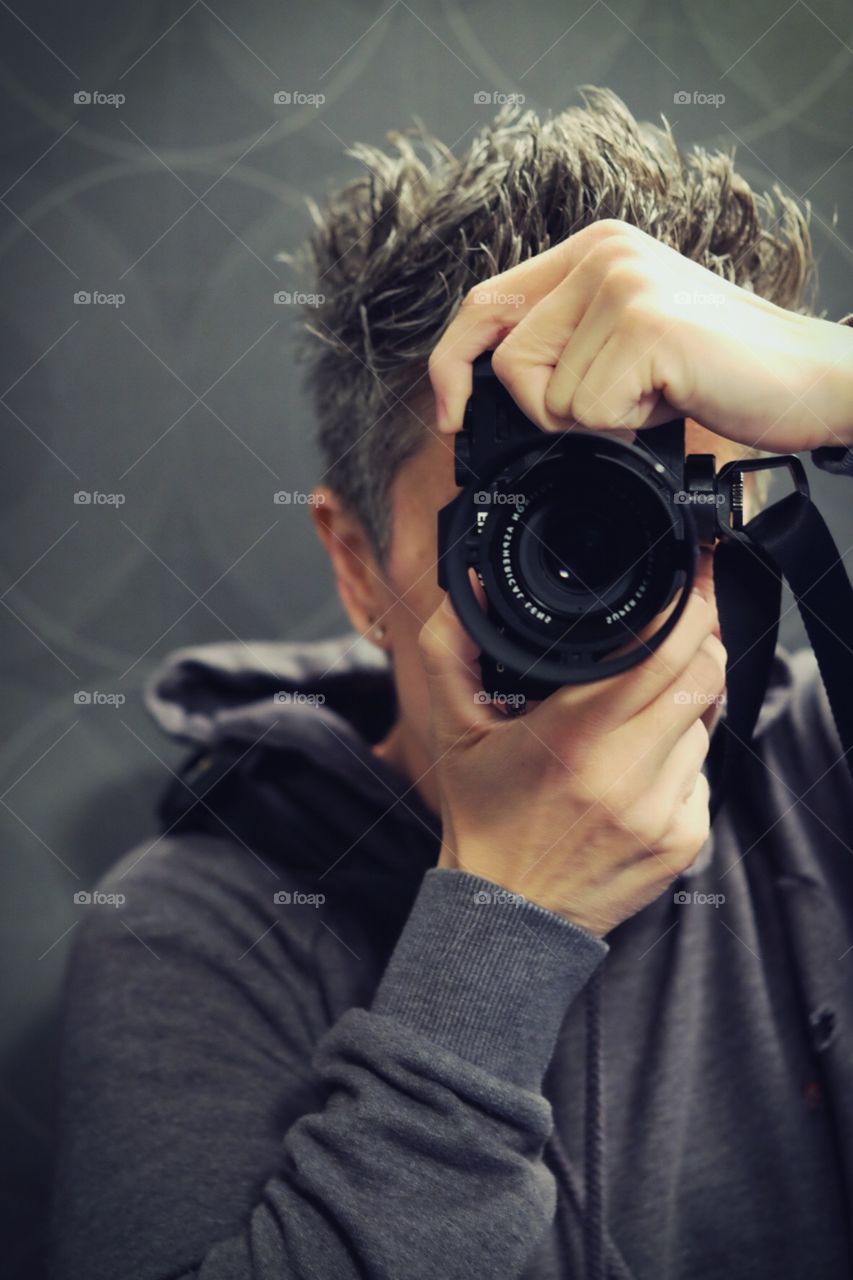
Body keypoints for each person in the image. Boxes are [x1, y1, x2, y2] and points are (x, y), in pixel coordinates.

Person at [49, 87, 853, 1280]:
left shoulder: (817, 786)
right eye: (545, 521)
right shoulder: (199, 930)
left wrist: (837, 376)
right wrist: (501, 938)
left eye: (688, 504)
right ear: (356, 562)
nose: (633, 580)